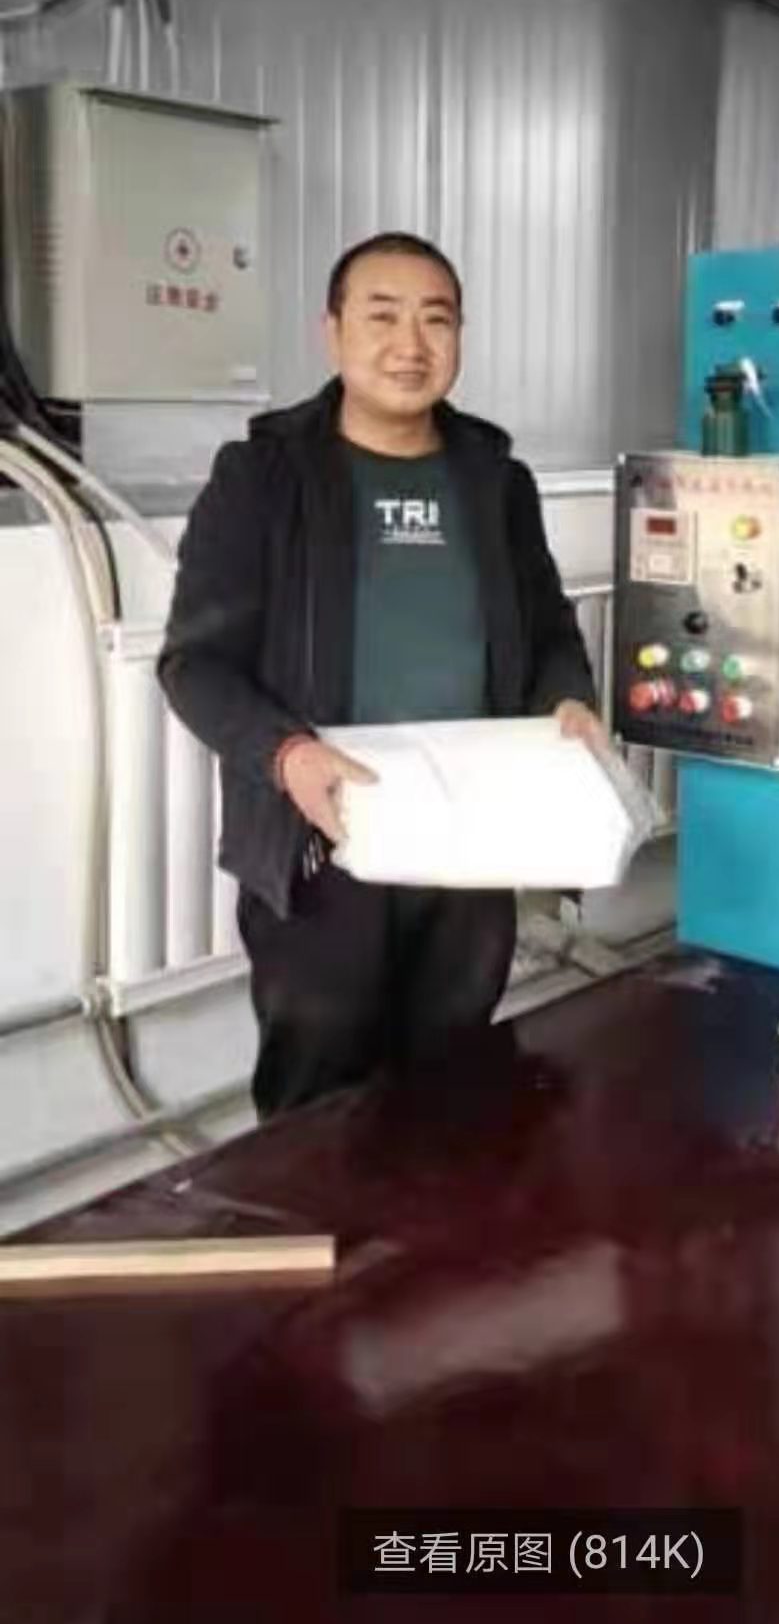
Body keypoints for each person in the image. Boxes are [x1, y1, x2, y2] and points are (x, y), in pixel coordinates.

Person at [158, 232, 604, 1118]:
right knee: (319, 1101)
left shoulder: (494, 480)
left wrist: (568, 701)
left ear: (460, 335)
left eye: (436, 320)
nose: (411, 344)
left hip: (470, 841)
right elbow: (194, 664)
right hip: (323, 839)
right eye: (382, 316)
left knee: (454, 1081)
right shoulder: (264, 478)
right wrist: (287, 755)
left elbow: (549, 628)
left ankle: (436, 1216)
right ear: (332, 332)